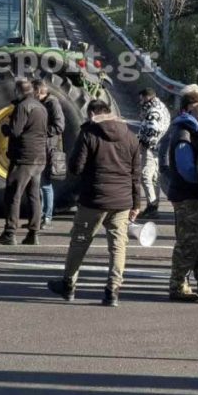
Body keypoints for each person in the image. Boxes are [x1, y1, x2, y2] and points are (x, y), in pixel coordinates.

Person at [47, 100, 141, 307]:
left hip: (94, 199)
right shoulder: (130, 136)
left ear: (92, 114)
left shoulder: (89, 133)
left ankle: (68, 285)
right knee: (118, 246)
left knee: (79, 242)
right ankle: (113, 291)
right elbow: (136, 174)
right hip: (122, 201)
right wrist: (136, 203)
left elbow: (76, 167)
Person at [164, 93, 198, 302]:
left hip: (195, 195)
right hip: (188, 196)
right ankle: (178, 285)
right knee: (188, 243)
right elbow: (187, 170)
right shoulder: (185, 135)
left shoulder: (190, 132)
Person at [0, 78, 48, 246]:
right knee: (34, 195)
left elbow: (15, 131)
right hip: (39, 156)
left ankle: (10, 233)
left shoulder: (23, 106)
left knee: (13, 195)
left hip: (23, 157)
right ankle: (33, 233)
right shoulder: (41, 106)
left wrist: (5, 128)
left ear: (18, 91)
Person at [136, 88, 170, 217]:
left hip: (151, 147)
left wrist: (142, 142)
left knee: (145, 175)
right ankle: (154, 206)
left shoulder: (153, 110)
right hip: (160, 146)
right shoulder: (161, 106)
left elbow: (152, 128)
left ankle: (152, 206)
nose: (140, 102)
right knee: (154, 177)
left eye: (141, 99)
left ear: (146, 97)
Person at [35, 79, 64, 229]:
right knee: (39, 184)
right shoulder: (43, 103)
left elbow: (59, 126)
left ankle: (47, 217)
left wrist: (39, 131)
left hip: (48, 149)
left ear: (38, 91)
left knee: (45, 185)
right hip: (41, 148)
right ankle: (39, 217)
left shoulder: (52, 103)